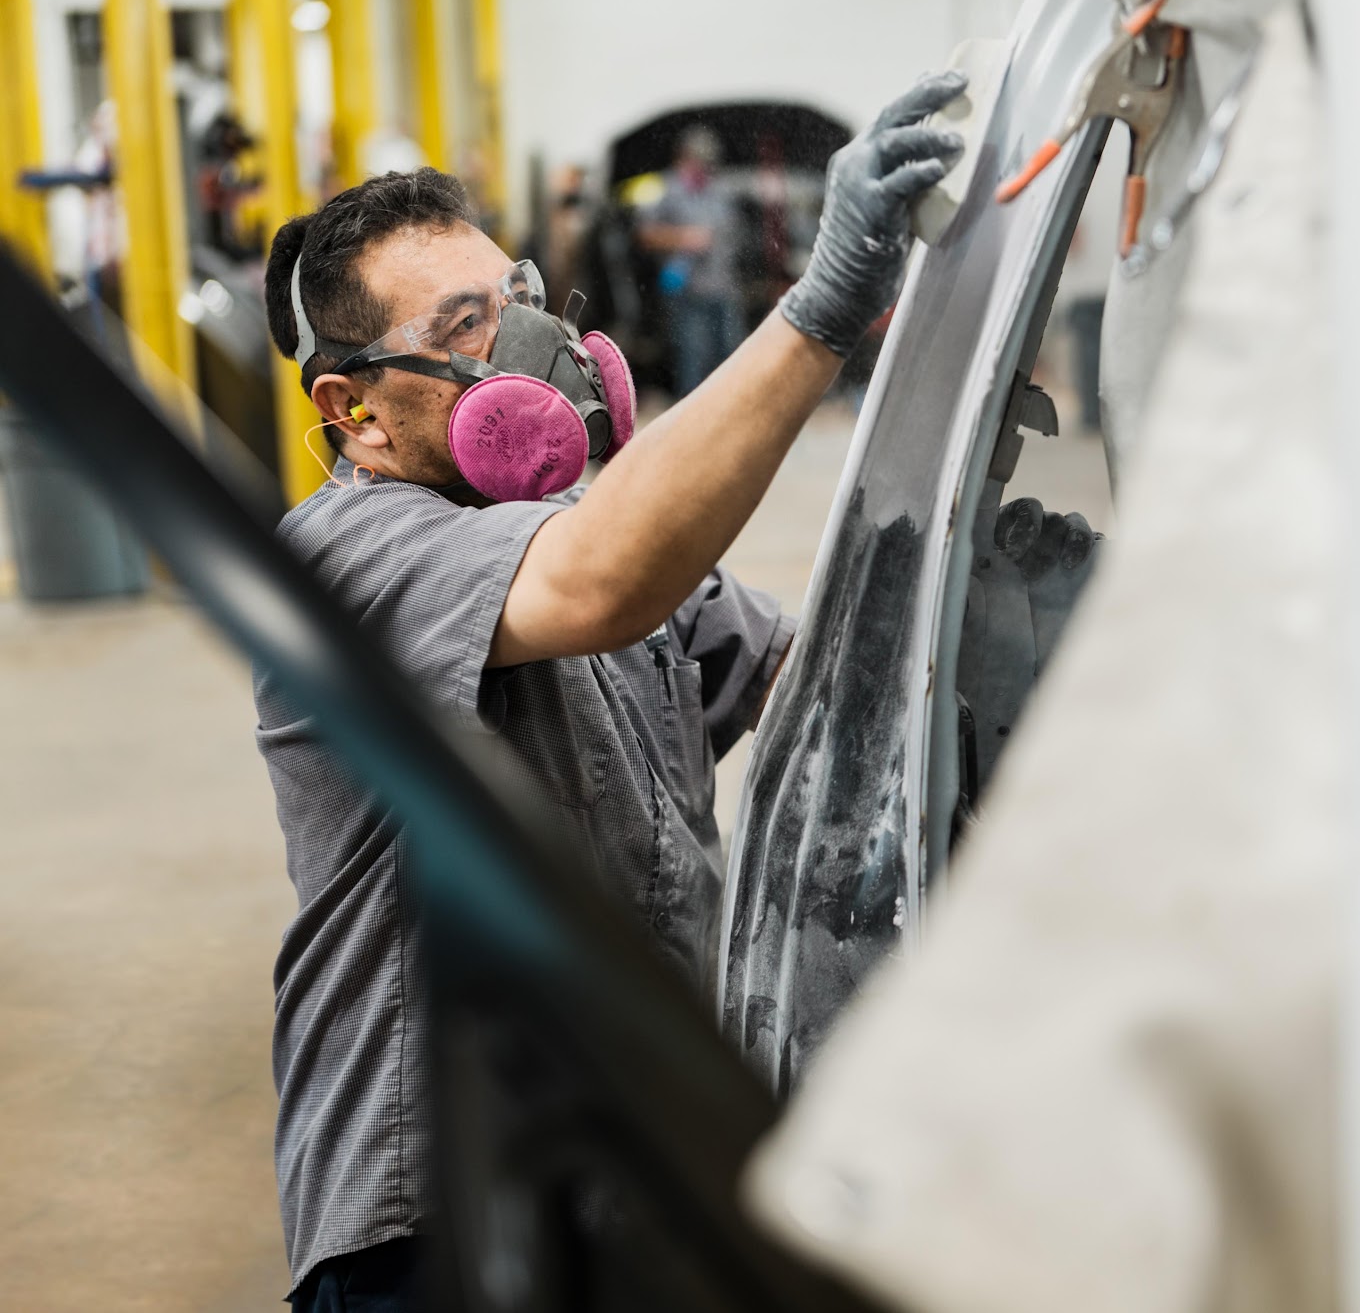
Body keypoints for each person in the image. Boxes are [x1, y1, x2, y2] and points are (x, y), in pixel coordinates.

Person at [252, 72, 965, 1311]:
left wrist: (960, 598)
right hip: (436, 1219)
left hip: (637, 1167)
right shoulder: (344, 557)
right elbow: (600, 582)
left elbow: (815, 676)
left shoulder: (582, 518)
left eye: (523, 297)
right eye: (468, 327)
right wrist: (819, 311)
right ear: (354, 410)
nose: (530, 343)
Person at [638, 126, 745, 395]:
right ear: (682, 157)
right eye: (696, 159)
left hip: (722, 287)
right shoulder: (662, 188)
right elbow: (644, 234)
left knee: (729, 354)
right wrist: (682, 238)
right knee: (692, 357)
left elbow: (733, 234)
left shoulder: (720, 191)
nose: (702, 166)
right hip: (687, 291)